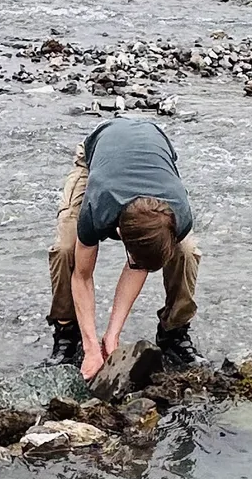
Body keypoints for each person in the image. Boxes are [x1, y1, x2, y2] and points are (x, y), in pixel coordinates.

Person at [48, 115, 201, 378]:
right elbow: (82, 277)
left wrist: (112, 334)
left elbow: (140, 262)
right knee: (65, 249)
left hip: (153, 148)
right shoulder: (98, 207)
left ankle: (174, 332)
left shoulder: (179, 215)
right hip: (97, 154)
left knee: (186, 253)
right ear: (118, 232)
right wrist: (92, 346)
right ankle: (67, 332)